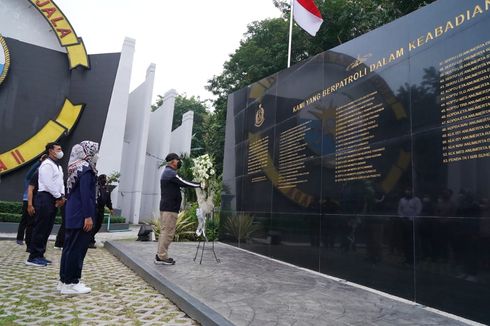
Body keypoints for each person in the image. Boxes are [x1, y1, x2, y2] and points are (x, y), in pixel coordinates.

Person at [58, 141, 98, 294]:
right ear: (88, 152)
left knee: (69, 248)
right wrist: (88, 216)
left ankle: (63, 281)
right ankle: (72, 282)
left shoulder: (74, 166)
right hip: (81, 214)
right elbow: (86, 195)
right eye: (94, 152)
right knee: (77, 249)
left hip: (72, 213)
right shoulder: (86, 169)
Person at [155, 153, 200, 265]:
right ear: (172, 161)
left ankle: (160, 255)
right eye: (177, 160)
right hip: (169, 209)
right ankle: (162, 257)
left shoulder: (167, 172)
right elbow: (184, 182)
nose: (179, 162)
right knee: (168, 233)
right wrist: (200, 185)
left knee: (165, 231)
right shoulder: (170, 173)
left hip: (167, 207)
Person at [26, 143, 66, 267]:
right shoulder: (47, 164)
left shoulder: (58, 166)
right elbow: (48, 183)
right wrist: (58, 196)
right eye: (58, 149)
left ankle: (40, 254)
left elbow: (60, 183)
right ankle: (33, 257)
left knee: (47, 228)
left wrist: (62, 196)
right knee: (40, 228)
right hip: (45, 198)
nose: (61, 151)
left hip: (54, 198)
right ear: (51, 151)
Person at [16, 154, 46, 250]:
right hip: (27, 201)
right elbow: (30, 171)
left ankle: (30, 242)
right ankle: (20, 238)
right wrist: (39, 161)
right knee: (25, 221)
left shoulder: (41, 179)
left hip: (36, 201)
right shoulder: (29, 178)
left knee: (31, 223)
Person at [88, 174, 113, 249]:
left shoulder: (106, 189)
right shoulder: (96, 187)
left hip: (101, 209)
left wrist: (110, 208)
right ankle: (90, 241)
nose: (105, 181)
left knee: (98, 225)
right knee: (93, 225)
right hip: (94, 208)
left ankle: (90, 238)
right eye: (104, 179)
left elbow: (108, 200)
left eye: (105, 179)